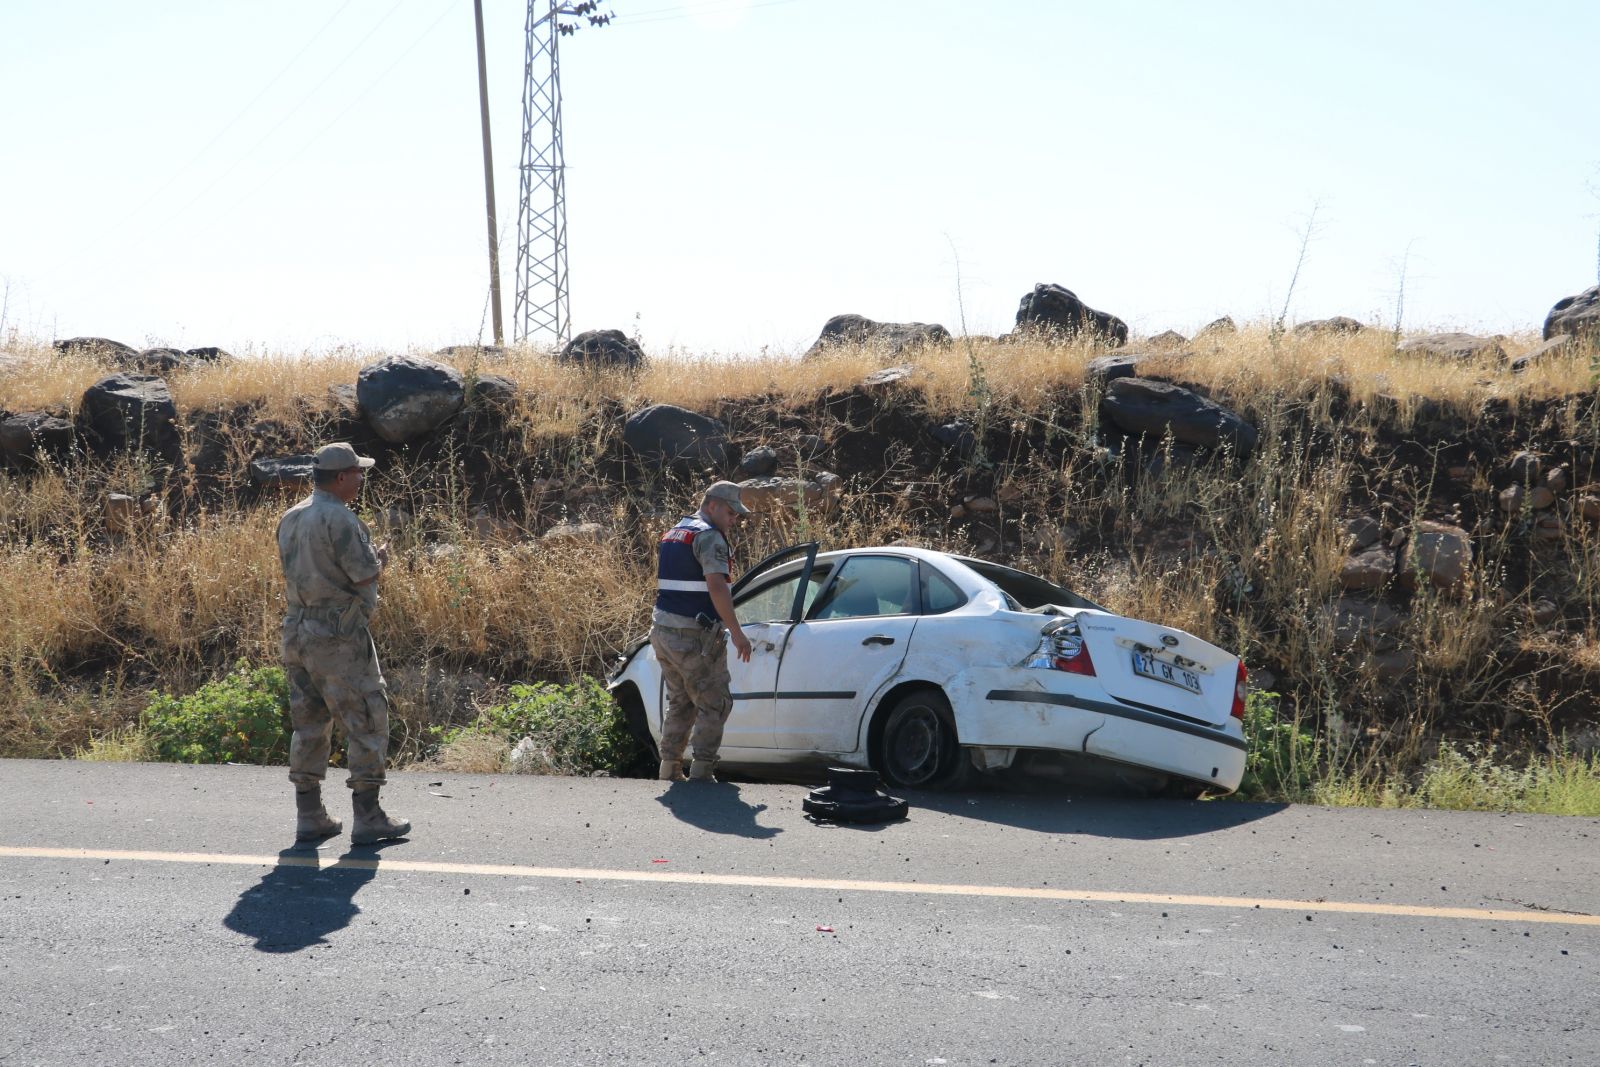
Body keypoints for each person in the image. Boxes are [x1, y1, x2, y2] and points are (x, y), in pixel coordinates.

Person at [277, 442, 411, 844]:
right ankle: (368, 817)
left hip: (297, 631)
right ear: (340, 477)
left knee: (309, 723)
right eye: (356, 472)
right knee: (367, 717)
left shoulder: (291, 516)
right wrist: (380, 558)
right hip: (338, 635)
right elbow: (362, 575)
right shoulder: (341, 519)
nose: (360, 477)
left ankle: (310, 814)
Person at [650, 480, 753, 782]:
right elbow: (716, 585)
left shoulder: (675, 532)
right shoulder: (709, 537)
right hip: (694, 636)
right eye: (731, 513)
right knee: (715, 702)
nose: (734, 519)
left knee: (680, 700)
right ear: (712, 506)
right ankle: (703, 771)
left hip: (664, 631)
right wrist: (737, 632)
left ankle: (669, 767)